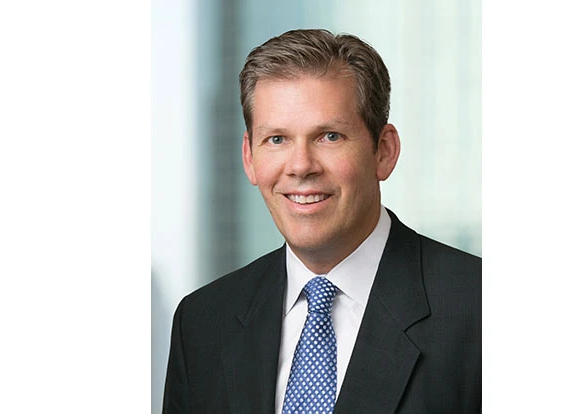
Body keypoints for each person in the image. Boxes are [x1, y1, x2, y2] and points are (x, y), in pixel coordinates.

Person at [163, 29, 480, 413]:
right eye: (277, 139)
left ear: (383, 151)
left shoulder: (478, 308)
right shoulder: (201, 323)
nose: (300, 166)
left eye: (329, 136)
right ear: (249, 157)